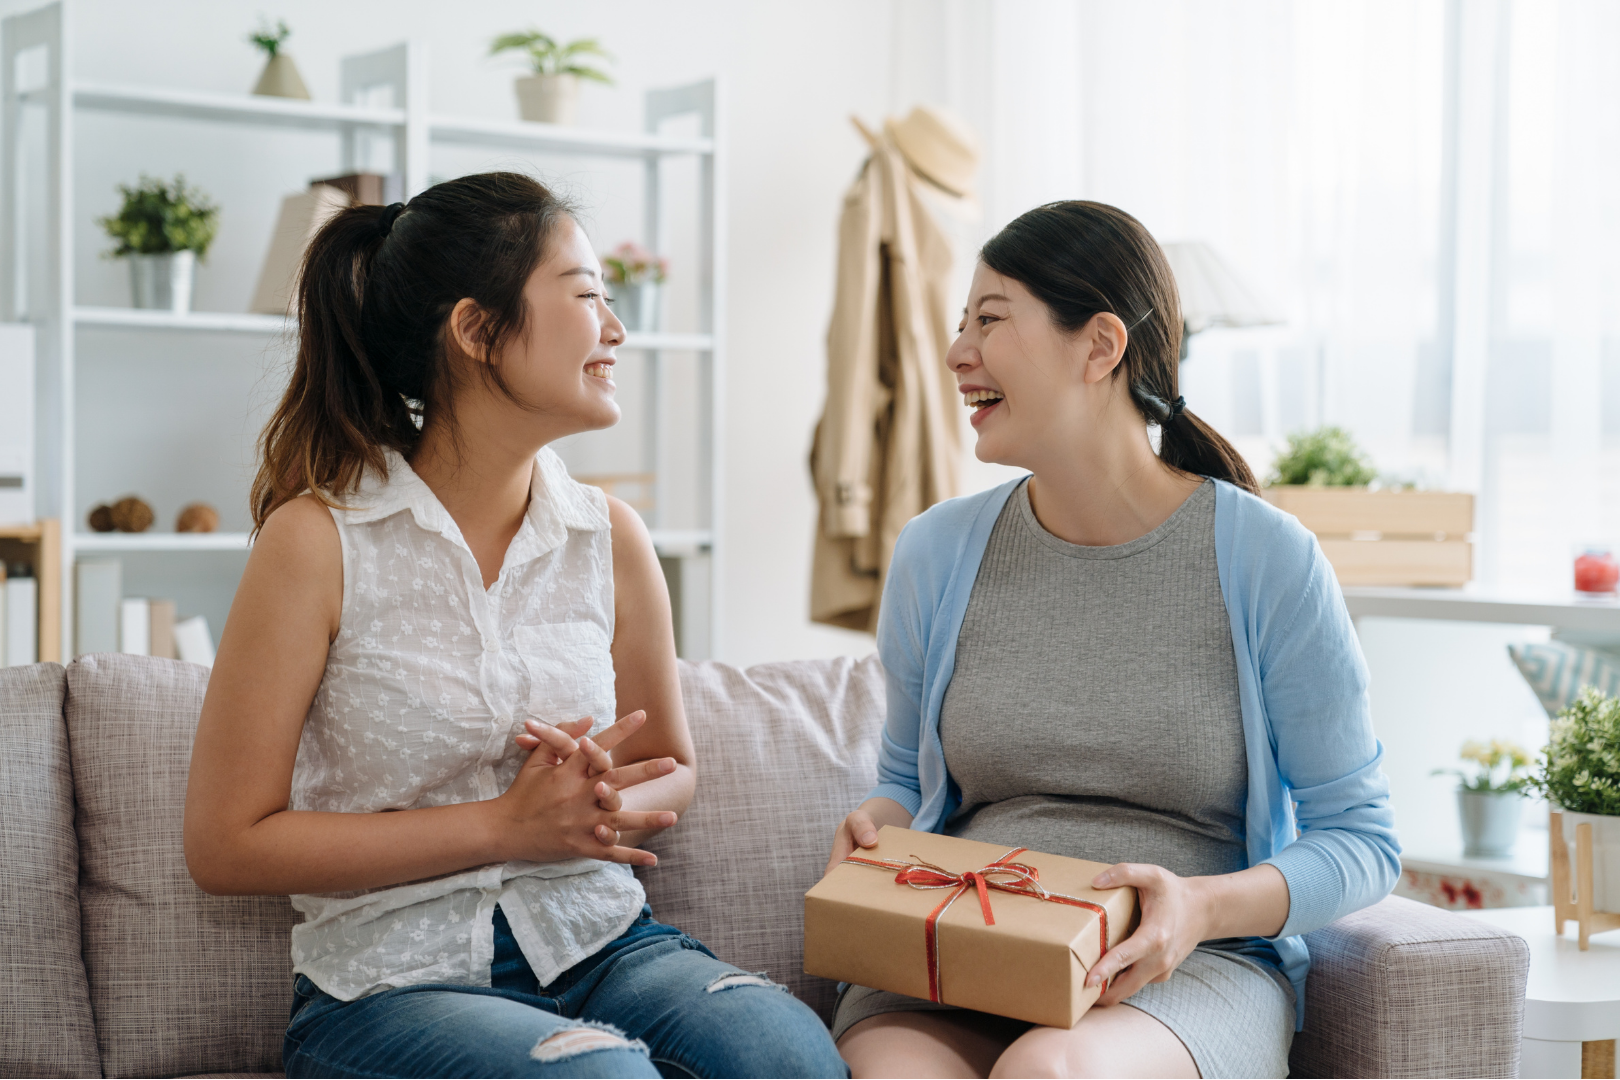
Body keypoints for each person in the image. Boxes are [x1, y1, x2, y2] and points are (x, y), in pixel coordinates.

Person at [183, 172, 846, 1080]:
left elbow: (673, 770)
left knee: (788, 1056)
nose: (616, 330)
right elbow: (226, 843)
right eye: (585, 298)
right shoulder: (317, 543)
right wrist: (506, 825)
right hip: (393, 986)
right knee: (598, 1076)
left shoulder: (610, 537)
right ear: (477, 331)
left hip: (607, 945)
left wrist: (604, 803)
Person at [825, 201, 1399, 1079]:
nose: (955, 353)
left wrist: (1199, 909)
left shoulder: (1265, 560)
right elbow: (906, 780)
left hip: (1184, 969)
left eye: (990, 319)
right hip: (967, 950)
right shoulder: (936, 552)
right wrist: (879, 824)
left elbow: (1361, 841)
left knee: (1051, 1073)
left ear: (1099, 346)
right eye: (959, 323)